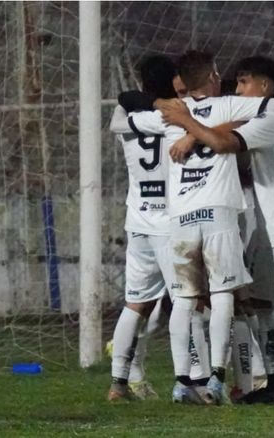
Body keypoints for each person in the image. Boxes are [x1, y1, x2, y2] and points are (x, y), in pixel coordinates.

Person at [126, 50, 274, 405]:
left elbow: (128, 111)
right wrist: (205, 128)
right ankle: (217, 377)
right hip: (218, 214)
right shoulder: (228, 105)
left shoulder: (171, 113)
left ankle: (181, 382)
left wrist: (183, 124)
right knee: (222, 296)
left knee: (184, 301)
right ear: (213, 77)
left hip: (180, 217)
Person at [159, 55, 274, 405]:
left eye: (245, 82)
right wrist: (193, 130)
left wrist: (188, 128)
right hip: (263, 224)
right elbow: (225, 130)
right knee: (263, 304)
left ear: (264, 85)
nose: (238, 89)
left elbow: (223, 142)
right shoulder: (265, 113)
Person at [106, 55, 180, 402]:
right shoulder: (177, 117)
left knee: (135, 304)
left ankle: (119, 383)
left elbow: (119, 113)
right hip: (172, 221)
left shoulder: (125, 118)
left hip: (138, 219)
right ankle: (192, 380)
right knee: (187, 303)